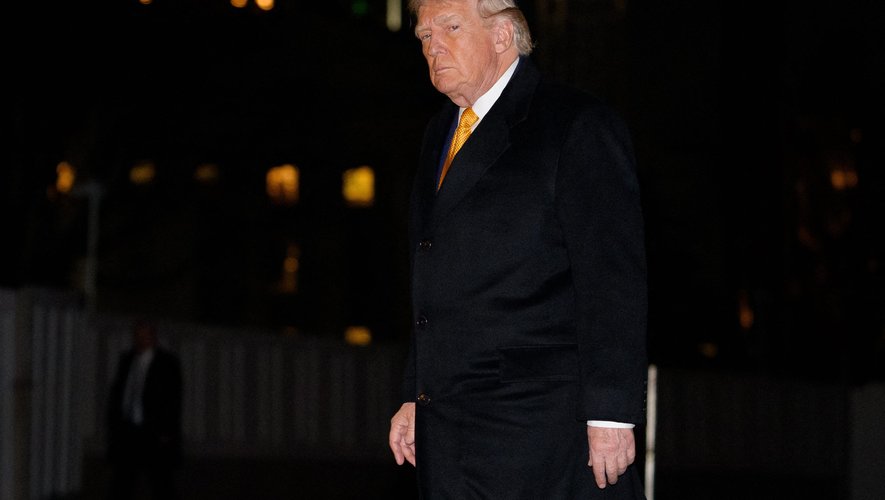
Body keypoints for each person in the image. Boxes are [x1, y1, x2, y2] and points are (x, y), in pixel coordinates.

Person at [388, 0, 648, 498]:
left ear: (503, 35)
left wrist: (611, 413)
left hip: (540, 429)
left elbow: (611, 277)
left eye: (450, 27)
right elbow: (434, 276)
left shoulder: (574, 123)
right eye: (424, 36)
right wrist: (415, 394)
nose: (433, 46)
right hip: (449, 429)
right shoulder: (439, 133)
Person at [106, 318, 183, 500]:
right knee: (123, 478)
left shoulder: (166, 362)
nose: (140, 340)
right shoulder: (127, 360)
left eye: (144, 336)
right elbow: (119, 392)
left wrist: (167, 430)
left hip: (153, 429)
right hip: (129, 428)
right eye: (137, 336)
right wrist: (116, 422)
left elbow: (173, 398)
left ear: (153, 337)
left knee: (160, 479)